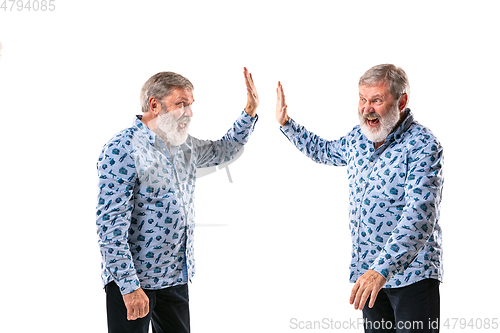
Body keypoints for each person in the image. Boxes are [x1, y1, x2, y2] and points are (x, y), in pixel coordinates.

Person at [276, 64, 444, 333]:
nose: (366, 109)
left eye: (376, 100)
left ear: (401, 101)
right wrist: (287, 124)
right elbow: (325, 151)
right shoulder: (359, 138)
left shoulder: (423, 144)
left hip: (412, 276)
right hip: (368, 275)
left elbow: (419, 216)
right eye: (362, 99)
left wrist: (382, 270)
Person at [96, 68, 259, 333]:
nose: (189, 112)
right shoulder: (122, 148)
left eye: (191, 105)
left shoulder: (185, 146)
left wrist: (249, 112)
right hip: (134, 284)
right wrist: (129, 286)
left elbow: (225, 150)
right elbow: (109, 226)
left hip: (174, 278)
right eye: (181, 104)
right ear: (154, 105)